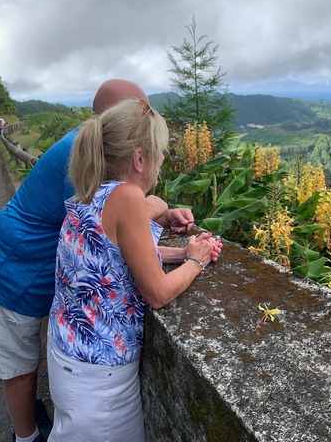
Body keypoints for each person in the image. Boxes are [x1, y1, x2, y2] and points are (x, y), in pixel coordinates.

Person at [0, 80, 196, 442]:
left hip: (69, 345)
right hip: (11, 269)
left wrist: (165, 231)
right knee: (20, 369)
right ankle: (25, 438)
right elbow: (127, 247)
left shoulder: (92, 157)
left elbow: (107, 244)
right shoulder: (83, 157)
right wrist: (188, 254)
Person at [47, 98, 221, 441]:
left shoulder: (92, 189)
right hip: (100, 379)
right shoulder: (126, 197)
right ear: (139, 159)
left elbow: (113, 260)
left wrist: (176, 252)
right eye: (158, 152)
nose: (161, 160)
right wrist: (197, 259)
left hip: (67, 354)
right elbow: (157, 293)